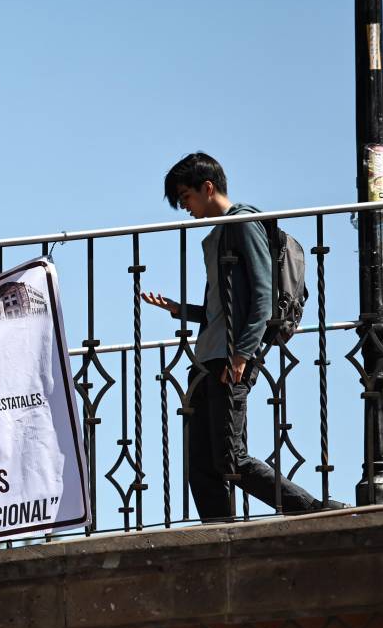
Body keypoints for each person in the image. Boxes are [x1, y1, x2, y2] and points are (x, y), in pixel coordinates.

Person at [141, 152, 340, 521]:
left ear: (207, 187)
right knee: (200, 462)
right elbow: (221, 308)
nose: (185, 207)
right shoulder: (219, 234)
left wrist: (243, 354)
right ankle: (218, 532)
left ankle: (310, 509)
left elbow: (263, 295)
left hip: (230, 357)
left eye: (186, 197)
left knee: (231, 456)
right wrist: (179, 310)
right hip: (207, 358)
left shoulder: (244, 222)